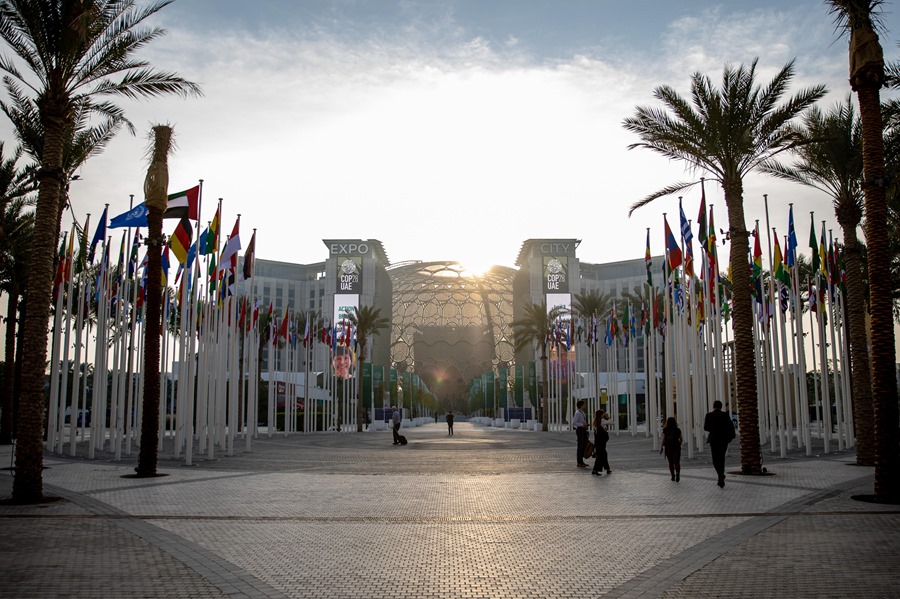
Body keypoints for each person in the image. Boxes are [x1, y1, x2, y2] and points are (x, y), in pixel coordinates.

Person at [704, 400, 736, 488]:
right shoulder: (725, 415)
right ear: (721, 407)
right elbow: (730, 426)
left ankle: (720, 475)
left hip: (714, 439)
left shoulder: (709, 415)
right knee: (721, 458)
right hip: (723, 440)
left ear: (713, 406)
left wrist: (713, 428)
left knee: (715, 459)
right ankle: (720, 478)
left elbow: (706, 427)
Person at [660, 416, 683, 482]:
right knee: (677, 462)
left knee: (670, 462)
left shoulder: (665, 430)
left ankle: (673, 476)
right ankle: (678, 472)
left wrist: (661, 447)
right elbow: (681, 439)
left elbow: (663, 439)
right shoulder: (677, 430)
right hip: (676, 447)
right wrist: (679, 444)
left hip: (668, 448)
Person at [591, 410, 611, 476]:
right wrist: (608, 417)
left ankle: (607, 468)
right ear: (601, 414)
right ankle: (595, 470)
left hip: (598, 442)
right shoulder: (602, 420)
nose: (604, 414)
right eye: (603, 413)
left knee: (603, 455)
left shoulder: (596, 421)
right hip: (601, 442)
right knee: (600, 456)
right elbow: (612, 423)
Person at [573, 400, 589, 468]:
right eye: (584, 404)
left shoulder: (582, 412)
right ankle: (579, 462)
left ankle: (582, 461)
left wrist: (585, 424)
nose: (585, 405)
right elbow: (574, 422)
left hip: (583, 429)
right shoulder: (577, 413)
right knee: (580, 446)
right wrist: (582, 425)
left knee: (583, 445)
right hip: (580, 430)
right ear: (581, 405)